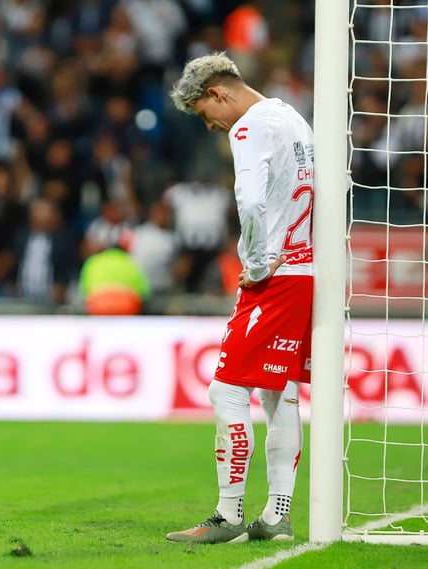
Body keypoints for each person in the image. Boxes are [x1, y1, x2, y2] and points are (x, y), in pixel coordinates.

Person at [164, 52, 314, 544]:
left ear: (218, 93)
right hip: (305, 270)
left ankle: (228, 515)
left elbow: (249, 200)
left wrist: (255, 264)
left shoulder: (247, 128)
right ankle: (277, 516)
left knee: (226, 390)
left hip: (274, 277)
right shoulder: (292, 116)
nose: (211, 127)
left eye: (207, 117)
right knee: (280, 394)